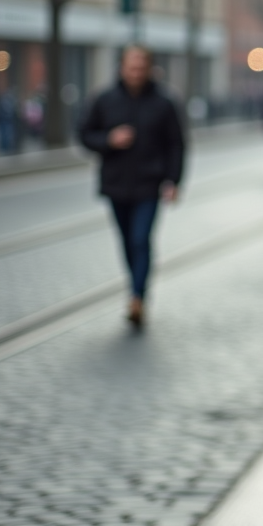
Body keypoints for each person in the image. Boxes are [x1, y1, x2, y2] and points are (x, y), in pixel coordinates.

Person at [79, 45, 185, 328]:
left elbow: (177, 143)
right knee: (127, 242)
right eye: (131, 67)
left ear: (149, 69)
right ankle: (136, 287)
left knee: (140, 240)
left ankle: (137, 296)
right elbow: (84, 135)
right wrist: (108, 140)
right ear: (122, 68)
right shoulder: (105, 99)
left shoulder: (164, 102)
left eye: (141, 68)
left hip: (149, 184)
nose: (136, 73)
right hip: (116, 184)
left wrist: (173, 181)